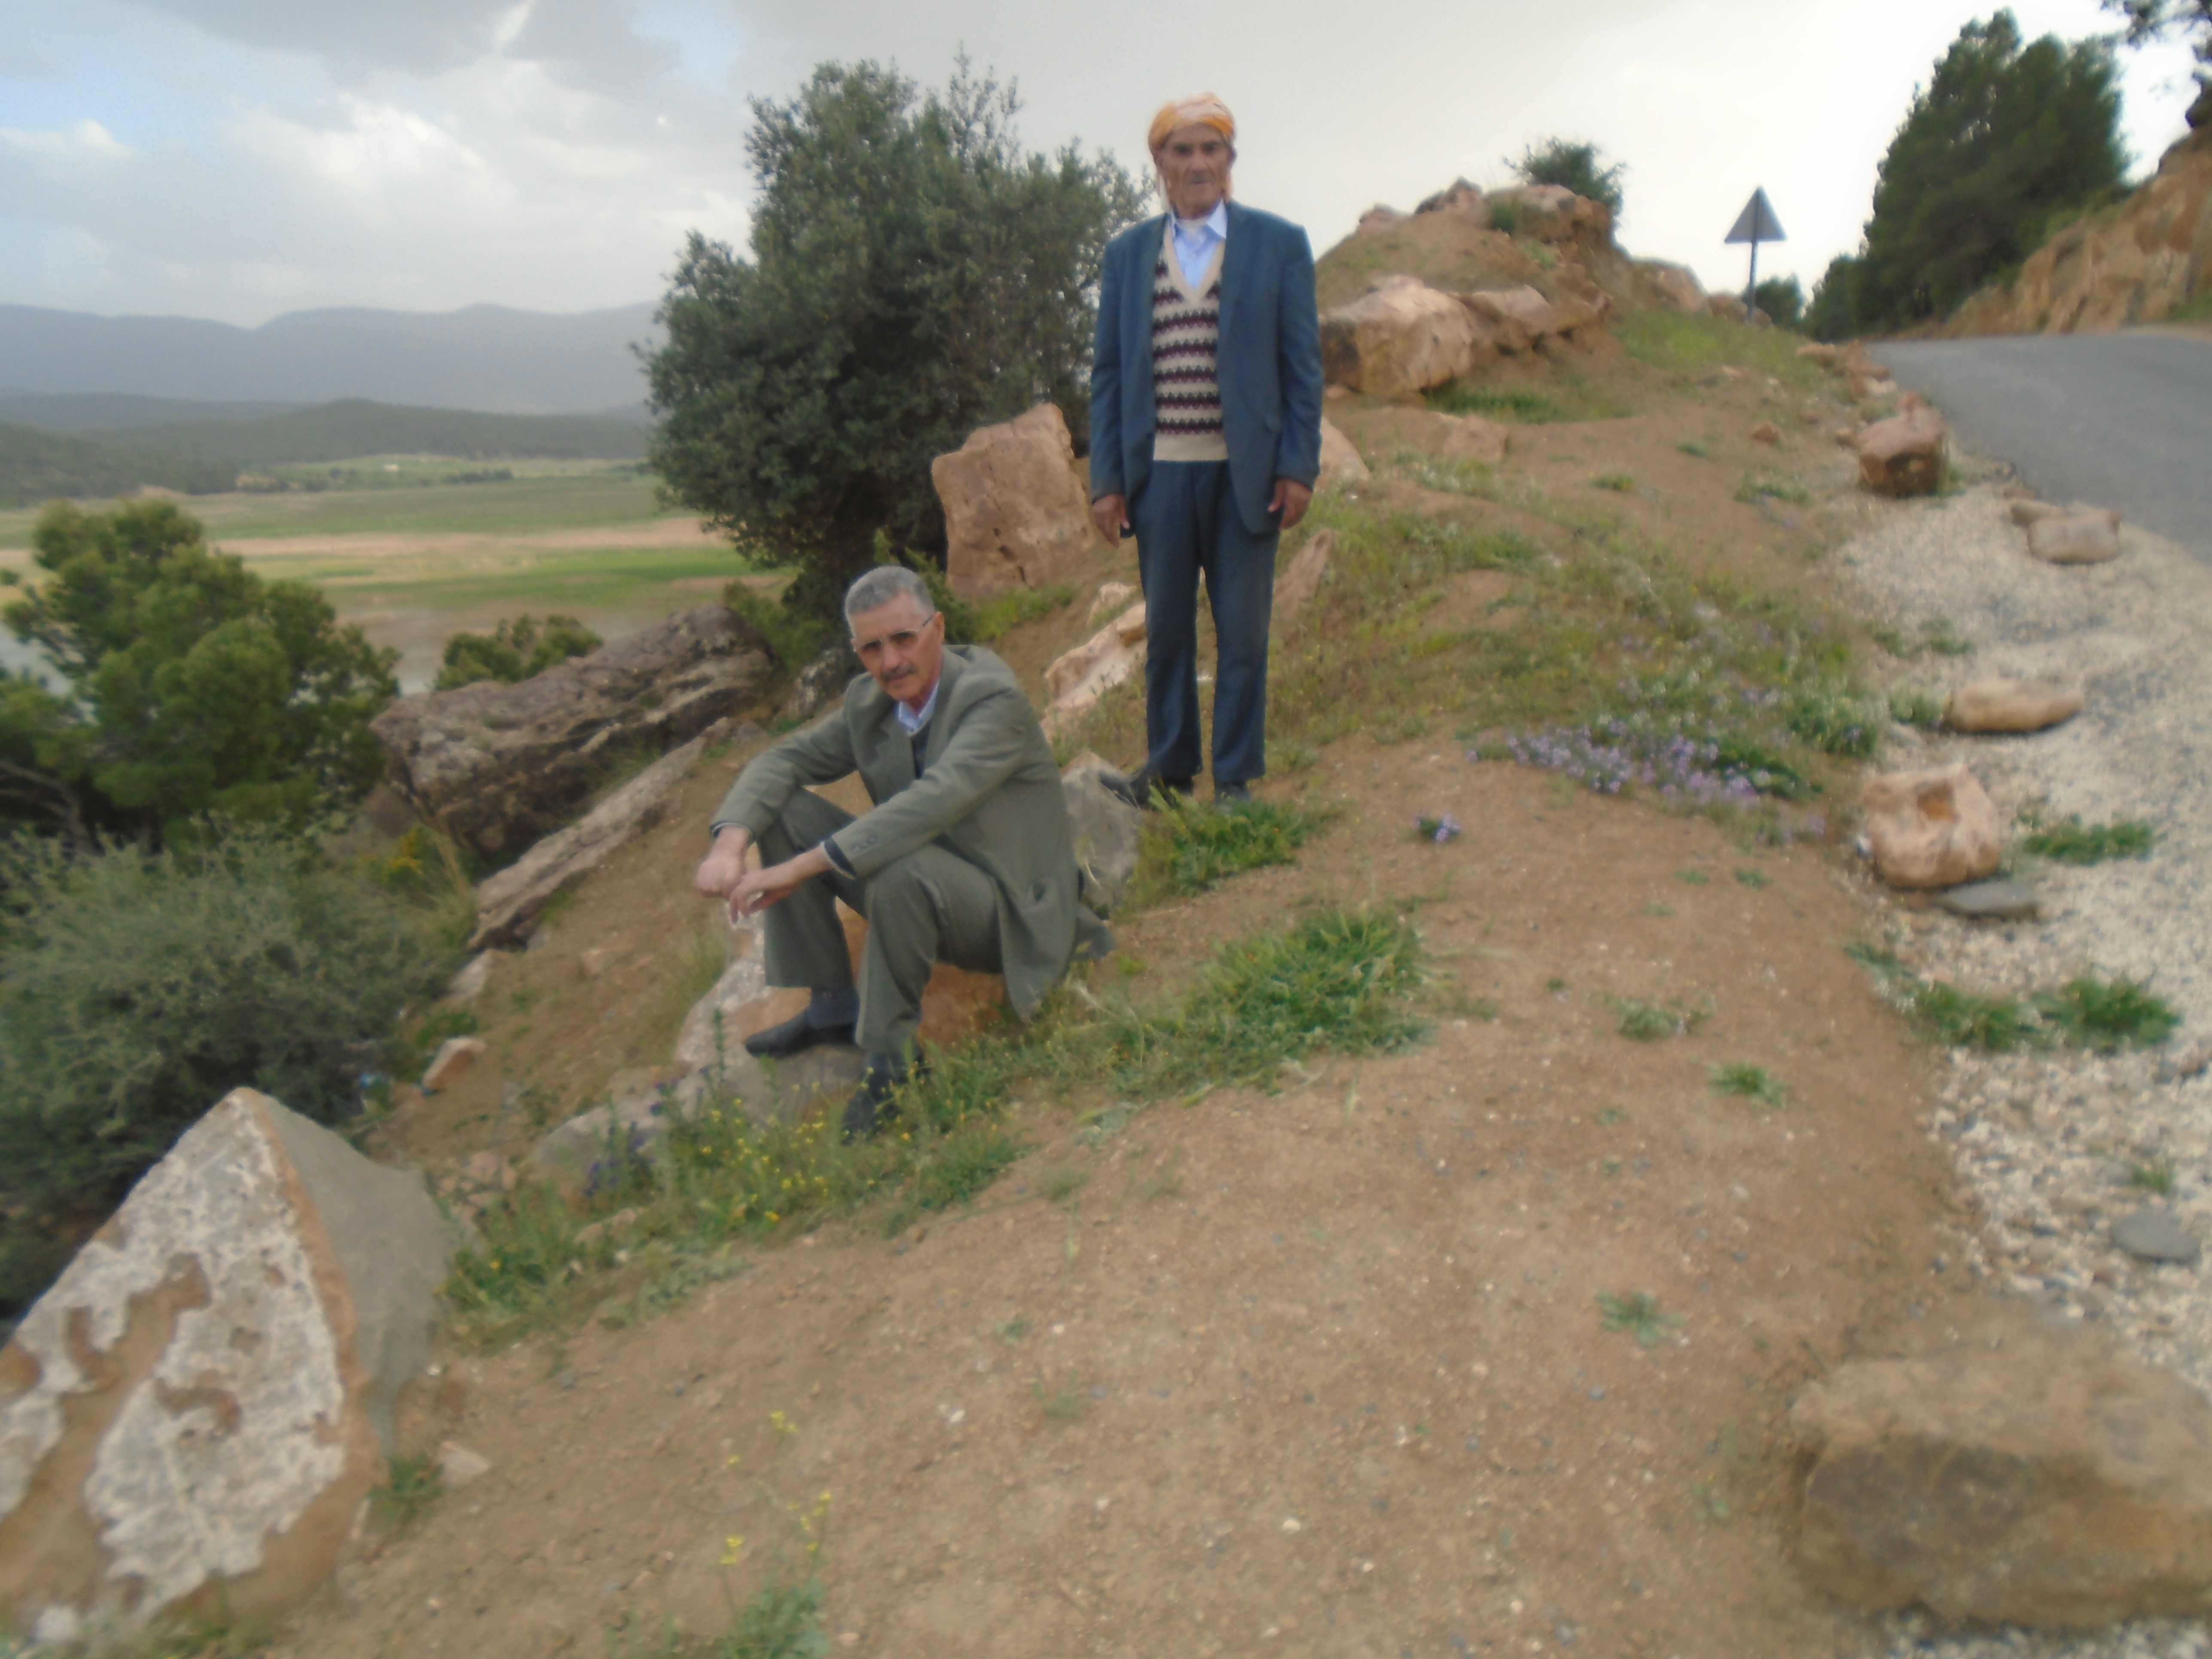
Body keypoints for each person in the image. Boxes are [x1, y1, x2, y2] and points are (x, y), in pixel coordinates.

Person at [693, 565, 1111, 1139]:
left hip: (1008, 907)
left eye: (903, 639)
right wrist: (729, 843)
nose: (889, 662)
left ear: (937, 628)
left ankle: (892, 1063)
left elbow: (932, 802)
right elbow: (781, 761)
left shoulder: (991, 699)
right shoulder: (873, 701)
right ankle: (833, 1004)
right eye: (871, 648)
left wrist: (804, 866)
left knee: (898, 869)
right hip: (925, 885)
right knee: (788, 808)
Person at [1088, 92, 1324, 805]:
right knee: (1166, 635)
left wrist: (1297, 465)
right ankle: (1170, 770)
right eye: (1181, 151)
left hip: (1246, 475)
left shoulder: (1279, 244)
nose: (1197, 164)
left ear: (1230, 161)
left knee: (1244, 634)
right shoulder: (1127, 256)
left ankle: (1236, 779)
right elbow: (1107, 374)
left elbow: (1302, 367)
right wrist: (1107, 479)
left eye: (1210, 149)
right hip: (1159, 477)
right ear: (1159, 163)